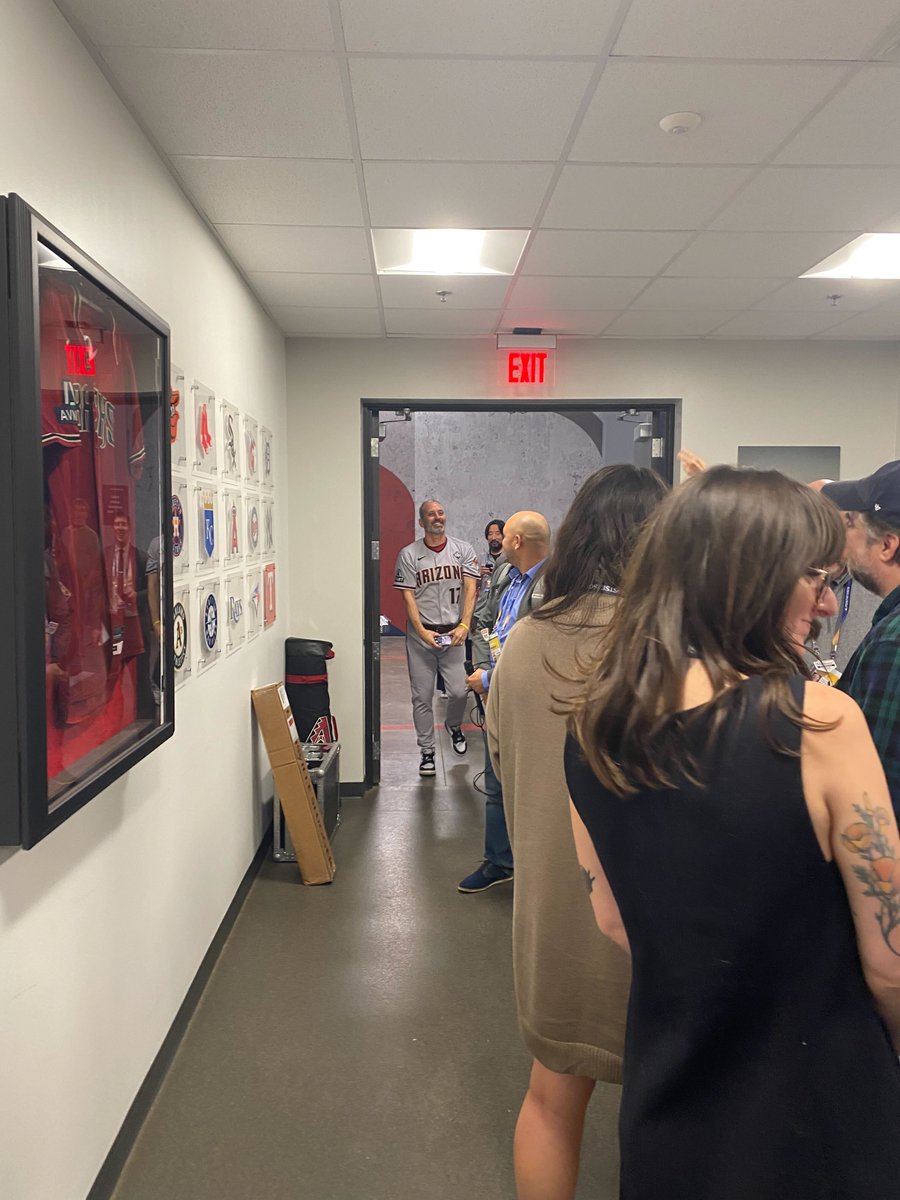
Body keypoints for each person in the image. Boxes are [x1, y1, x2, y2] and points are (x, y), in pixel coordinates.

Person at [564, 466, 900, 1200]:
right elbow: (892, 964)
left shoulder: (594, 727)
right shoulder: (818, 723)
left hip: (671, 1098)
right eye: (809, 576)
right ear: (741, 580)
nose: (823, 599)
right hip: (819, 1108)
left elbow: (613, 917)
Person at [485, 467, 668, 1200]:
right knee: (665, 1111)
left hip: (553, 916)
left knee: (551, 1099)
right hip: (658, 924)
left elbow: (500, 760)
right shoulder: (670, 650)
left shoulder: (525, 644)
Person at [459, 511, 550, 893]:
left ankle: (540, 868)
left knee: (535, 785)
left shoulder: (558, 584)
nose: (497, 541)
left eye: (504, 536)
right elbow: (484, 622)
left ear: (516, 542)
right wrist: (483, 669)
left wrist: (491, 677)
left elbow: (547, 651)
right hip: (494, 690)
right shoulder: (501, 573)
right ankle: (499, 862)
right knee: (494, 781)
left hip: (534, 698)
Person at [817, 461, 900, 816]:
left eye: (849, 524)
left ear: (887, 545)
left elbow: (875, 801)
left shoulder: (892, 645)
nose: (840, 539)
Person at [394, 499, 478, 777]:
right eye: (430, 514)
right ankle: (427, 750)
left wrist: (465, 625)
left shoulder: (462, 550)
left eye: (440, 513)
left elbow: (471, 589)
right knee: (422, 696)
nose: (437, 517)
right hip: (422, 635)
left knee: (458, 691)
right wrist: (421, 632)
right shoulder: (409, 554)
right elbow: (407, 596)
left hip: (453, 632)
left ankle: (454, 725)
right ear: (422, 522)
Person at [479, 518, 506, 596]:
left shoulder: (510, 559)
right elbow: (473, 586)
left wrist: (495, 574)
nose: (493, 538)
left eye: (498, 533)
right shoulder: (481, 558)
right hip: (483, 605)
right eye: (490, 534)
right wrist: (479, 575)